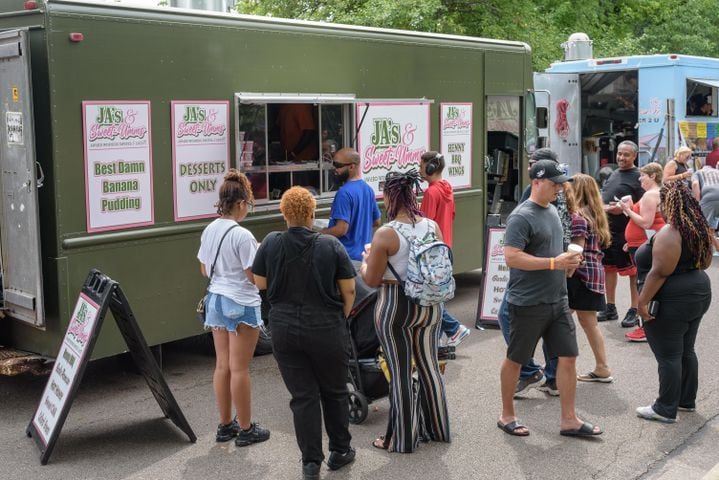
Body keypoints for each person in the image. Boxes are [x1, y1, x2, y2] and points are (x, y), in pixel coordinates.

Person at [252, 186, 357, 480]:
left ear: (283, 212)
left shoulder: (271, 243)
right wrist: (341, 316)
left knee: (303, 396)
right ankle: (340, 451)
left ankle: (310, 463)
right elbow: (348, 288)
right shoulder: (330, 246)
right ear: (312, 213)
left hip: (284, 327)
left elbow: (260, 282)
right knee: (335, 391)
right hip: (326, 326)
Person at [498, 159, 602, 437]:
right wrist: (554, 264)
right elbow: (511, 257)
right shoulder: (521, 216)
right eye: (554, 183)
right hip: (528, 301)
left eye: (561, 183)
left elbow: (554, 253)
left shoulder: (554, 211)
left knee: (568, 357)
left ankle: (569, 420)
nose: (559, 188)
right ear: (536, 182)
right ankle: (507, 415)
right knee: (517, 359)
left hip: (558, 299)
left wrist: (567, 264)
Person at [360, 170, 450, 452]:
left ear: (389, 197)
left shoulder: (386, 234)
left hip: (396, 306)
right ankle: (437, 429)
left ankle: (404, 438)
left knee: (399, 372)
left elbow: (371, 280)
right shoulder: (432, 226)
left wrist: (365, 260)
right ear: (413, 195)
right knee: (429, 367)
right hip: (431, 305)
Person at [196, 169, 270, 447]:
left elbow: (204, 269)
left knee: (222, 366)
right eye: (248, 205)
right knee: (240, 369)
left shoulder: (210, 229)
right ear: (241, 203)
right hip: (241, 302)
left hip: (215, 300)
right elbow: (255, 280)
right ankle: (247, 428)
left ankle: (225, 425)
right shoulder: (243, 235)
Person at [635, 182, 713, 423]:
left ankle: (665, 408)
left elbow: (659, 272)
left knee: (668, 355)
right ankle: (685, 401)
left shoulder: (671, 231)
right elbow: (707, 261)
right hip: (697, 289)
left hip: (672, 297)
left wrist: (642, 301)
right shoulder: (698, 228)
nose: (659, 206)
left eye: (662, 202)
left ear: (670, 203)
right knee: (685, 350)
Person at [501, 148, 563, 398]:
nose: (528, 169)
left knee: (508, 315)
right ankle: (554, 377)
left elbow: (514, 252)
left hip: (541, 273)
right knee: (553, 327)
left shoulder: (543, 193)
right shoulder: (554, 192)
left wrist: (555, 262)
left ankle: (529, 371)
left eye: (532, 164)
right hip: (557, 267)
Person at [419, 151, 471, 348]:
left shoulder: (431, 193)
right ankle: (437, 340)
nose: (419, 169)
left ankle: (454, 328)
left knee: (432, 299)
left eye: (421, 165)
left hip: (433, 252)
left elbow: (425, 224)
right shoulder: (447, 187)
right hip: (445, 248)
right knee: (436, 296)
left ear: (430, 167)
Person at [569, 174, 613, 382]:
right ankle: (602, 366)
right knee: (589, 323)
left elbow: (576, 251)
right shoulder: (595, 215)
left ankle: (560, 368)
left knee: (559, 320)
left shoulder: (578, 216)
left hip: (580, 275)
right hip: (594, 273)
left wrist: (564, 272)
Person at [598, 141, 644, 326]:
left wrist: (625, 208)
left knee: (633, 271)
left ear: (634, 156)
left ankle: (634, 309)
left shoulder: (639, 176)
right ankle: (610, 307)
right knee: (608, 268)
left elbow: (644, 204)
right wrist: (605, 208)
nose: (621, 158)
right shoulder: (613, 173)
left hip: (629, 232)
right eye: (619, 154)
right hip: (608, 231)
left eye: (626, 154)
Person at [620, 162, 666, 342]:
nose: (640, 179)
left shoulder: (649, 195)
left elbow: (646, 222)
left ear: (652, 176)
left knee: (644, 284)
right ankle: (650, 326)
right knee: (650, 283)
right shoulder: (658, 193)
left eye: (643, 175)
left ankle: (646, 328)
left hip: (644, 245)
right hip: (645, 242)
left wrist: (627, 210)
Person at [321, 148, 381, 261]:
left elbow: (341, 229)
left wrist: (321, 233)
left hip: (347, 259)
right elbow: (377, 221)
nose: (335, 169)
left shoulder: (343, 193)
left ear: (352, 167)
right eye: (334, 164)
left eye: (338, 165)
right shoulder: (368, 189)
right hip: (365, 258)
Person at [692, 163, 719, 237]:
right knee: (712, 227)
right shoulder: (717, 171)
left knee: (705, 229)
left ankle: (712, 247)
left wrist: (697, 203)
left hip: (709, 198)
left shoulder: (698, 172)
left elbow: (695, 184)